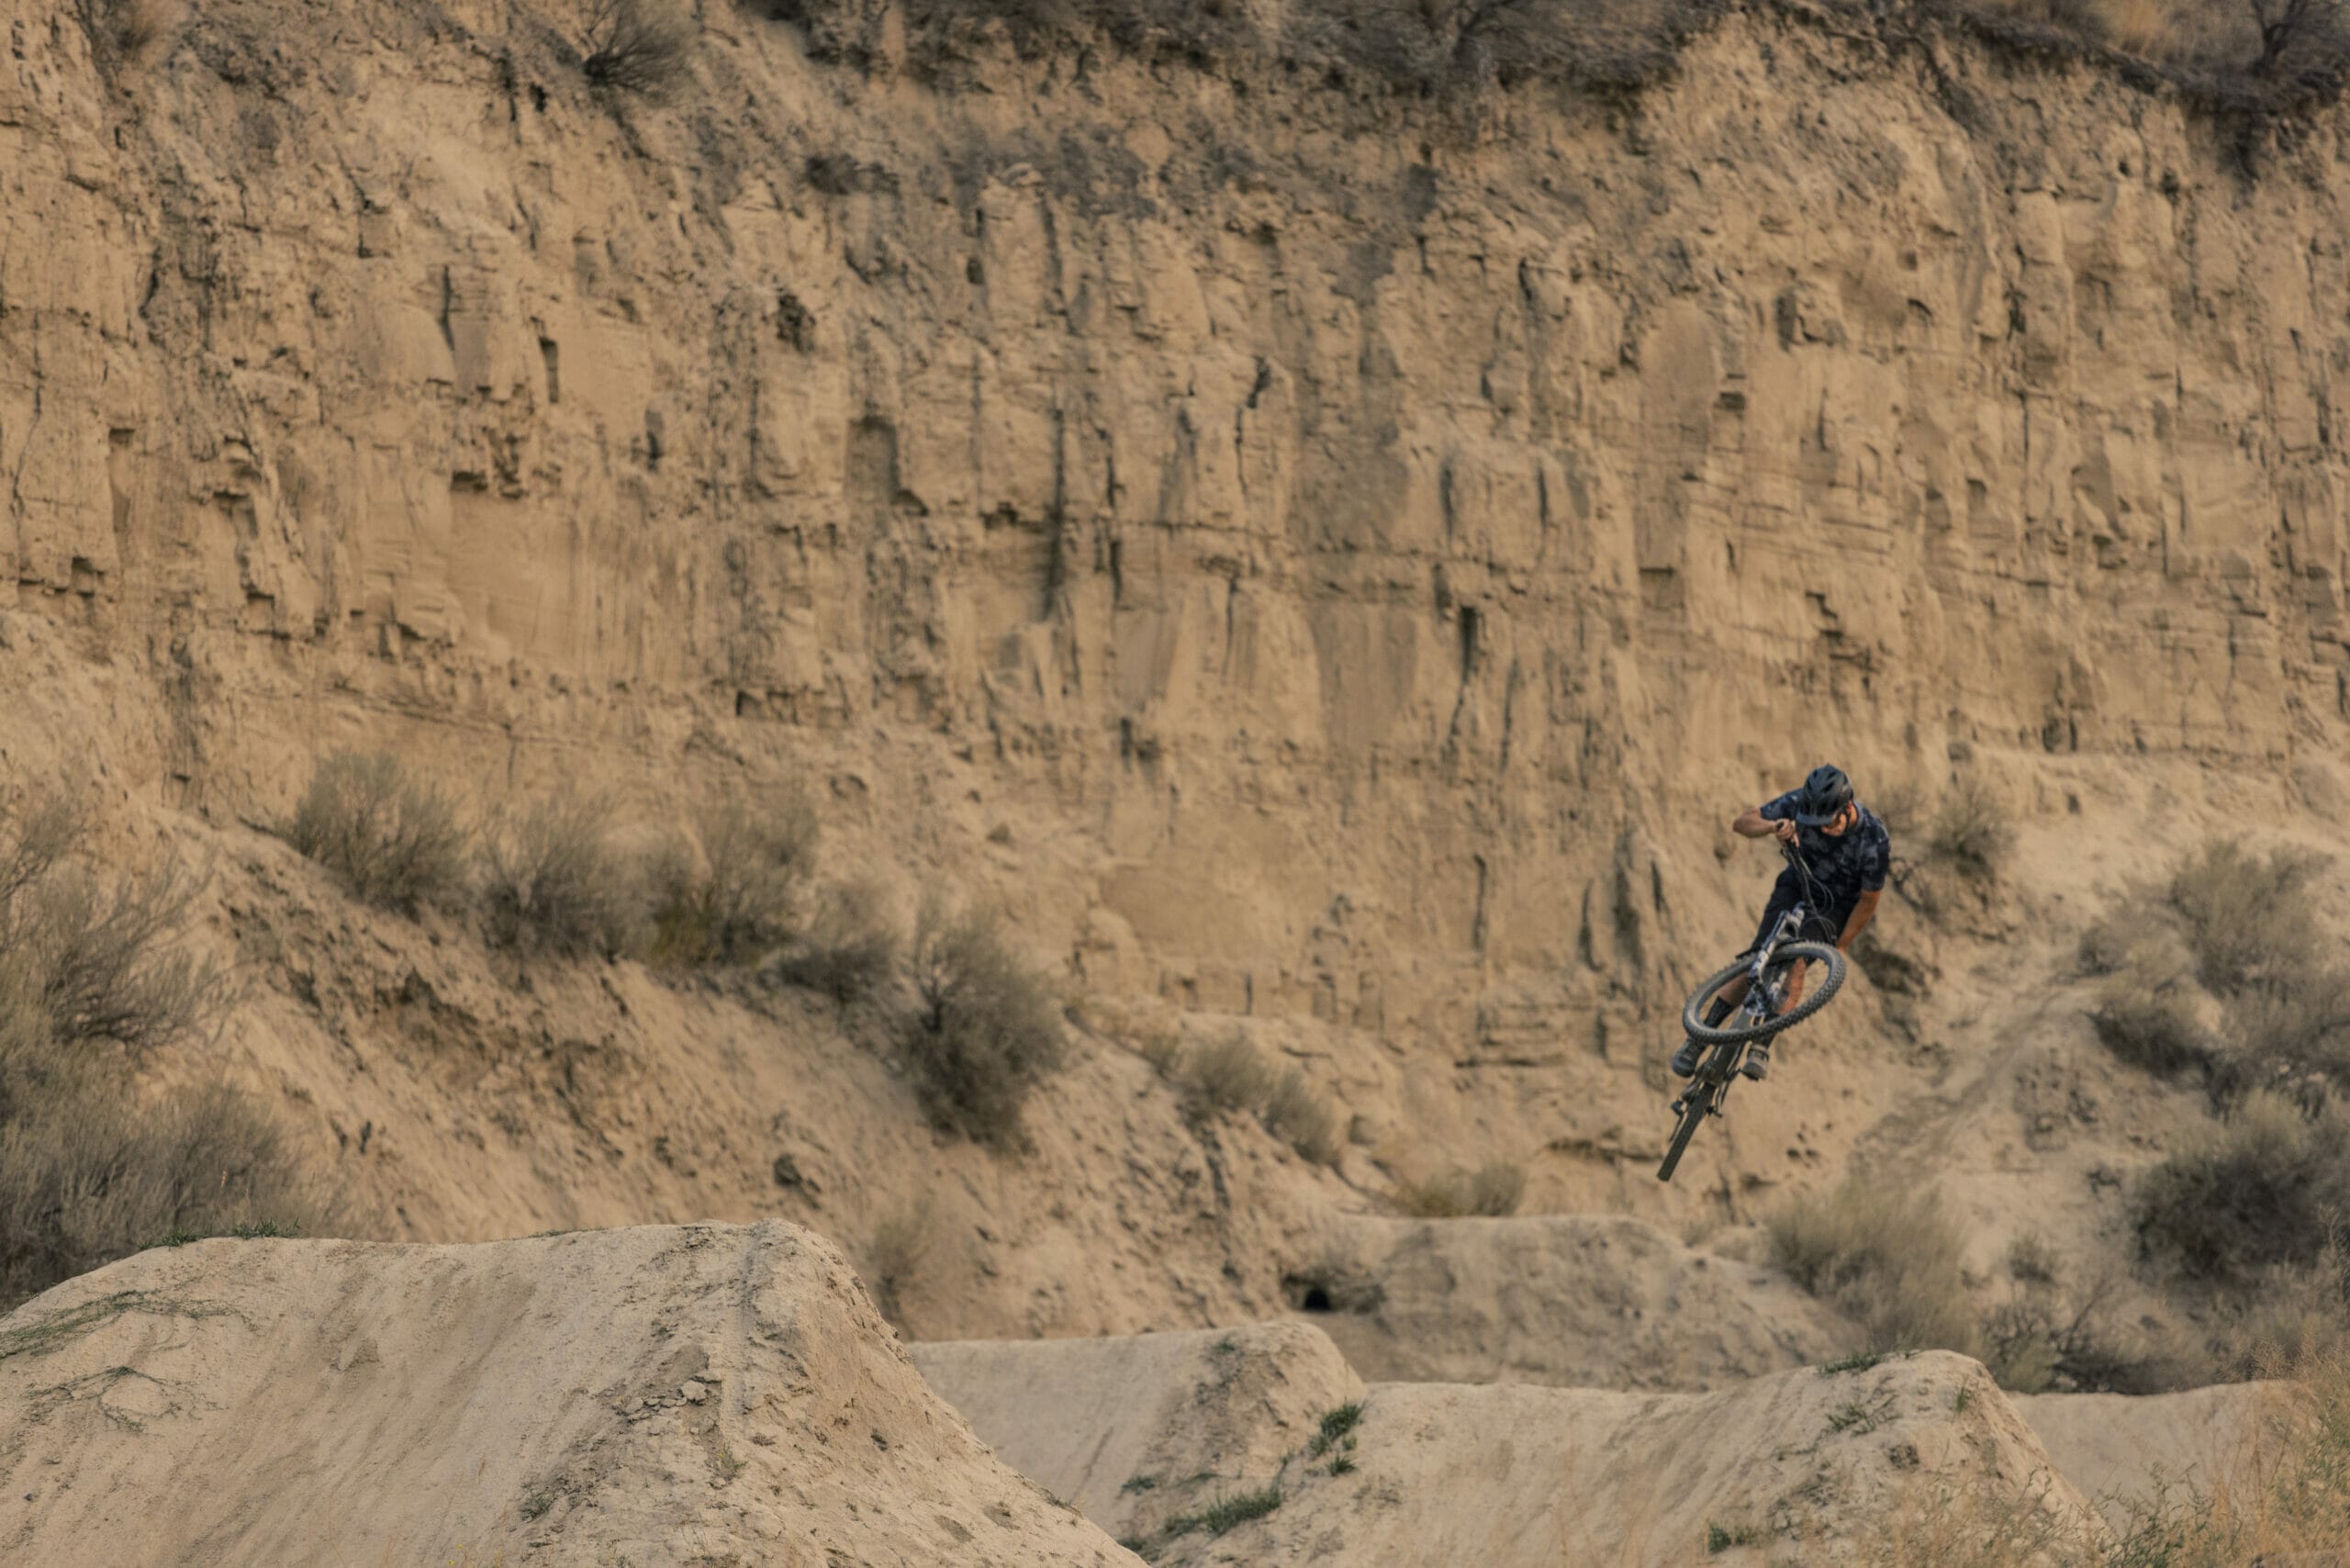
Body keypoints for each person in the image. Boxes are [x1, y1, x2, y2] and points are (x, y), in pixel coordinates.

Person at [1671, 764, 1889, 1082]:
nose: (1821, 829)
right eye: (1815, 822)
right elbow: (1742, 823)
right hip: (1796, 884)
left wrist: (1841, 945)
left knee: (1796, 961)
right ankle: (1698, 1040)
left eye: (1827, 823)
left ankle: (1761, 1045)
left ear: (1847, 809)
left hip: (1834, 905)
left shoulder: (1874, 839)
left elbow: (1869, 900)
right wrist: (1774, 826)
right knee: (1755, 960)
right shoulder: (1802, 802)